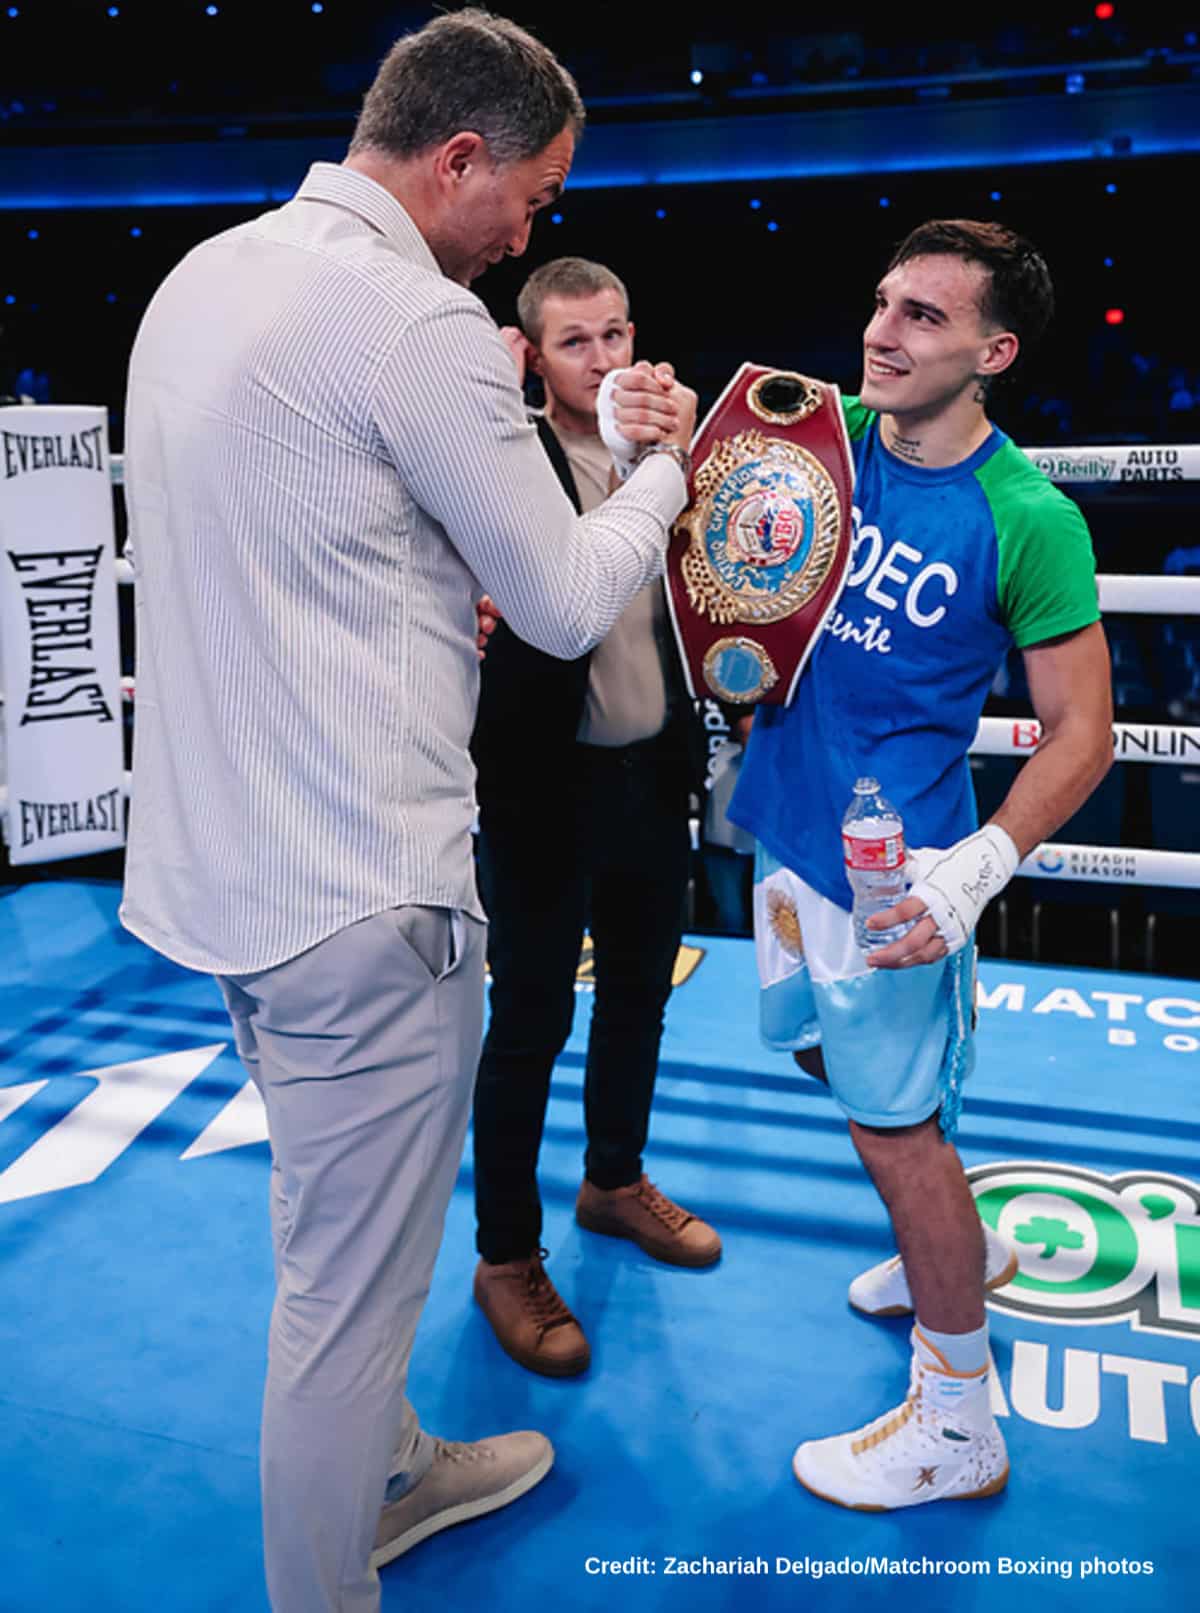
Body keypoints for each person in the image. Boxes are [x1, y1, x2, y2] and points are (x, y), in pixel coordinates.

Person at [119, 12, 696, 1612]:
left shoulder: (204, 278)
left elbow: (301, 547)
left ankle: (390, 1465)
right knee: (343, 1300)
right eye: (534, 194)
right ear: (459, 161)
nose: (533, 233)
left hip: (229, 872)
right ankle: (330, 1580)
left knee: (336, 1237)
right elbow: (572, 601)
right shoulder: (420, 324)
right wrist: (657, 464)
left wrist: (450, 585)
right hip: (362, 884)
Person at [727, 219, 1113, 1511]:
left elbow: (1086, 733)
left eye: (925, 318)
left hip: (896, 870)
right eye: (883, 302)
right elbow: (694, 436)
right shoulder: (824, 432)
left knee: (895, 1134)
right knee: (839, 1072)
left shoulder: (1026, 518)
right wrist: (635, 415)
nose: (883, 333)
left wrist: (981, 865)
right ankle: (941, 1232)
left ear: (993, 352)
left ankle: (959, 1415)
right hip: (782, 820)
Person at [469, 257, 720, 1378]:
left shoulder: (686, 455)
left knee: (637, 997)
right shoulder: (498, 460)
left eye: (619, 333)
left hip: (650, 769)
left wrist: (687, 454)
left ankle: (614, 1177)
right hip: (538, 781)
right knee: (527, 1018)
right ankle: (504, 1253)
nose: (607, 359)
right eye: (578, 341)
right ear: (533, 354)